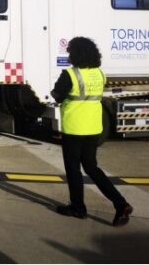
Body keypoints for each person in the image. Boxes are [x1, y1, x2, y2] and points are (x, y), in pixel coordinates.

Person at [51, 36, 133, 226]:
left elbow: (57, 94)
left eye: (70, 51)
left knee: (73, 169)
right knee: (92, 168)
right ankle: (120, 204)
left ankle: (78, 208)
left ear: (75, 54)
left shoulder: (70, 74)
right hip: (94, 127)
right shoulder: (99, 73)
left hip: (74, 127)